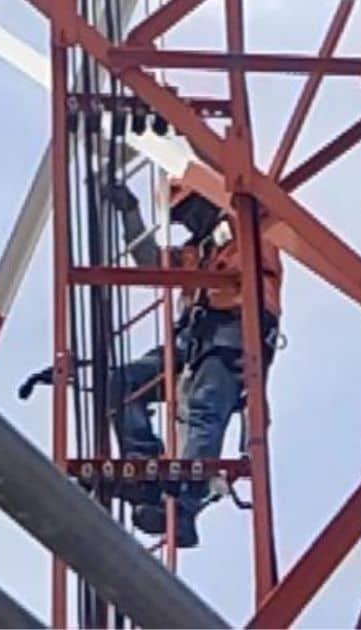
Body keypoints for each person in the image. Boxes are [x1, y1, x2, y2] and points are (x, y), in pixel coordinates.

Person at [104, 181, 282, 547]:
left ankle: (184, 504)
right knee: (122, 383)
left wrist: (204, 156)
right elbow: (152, 262)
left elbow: (245, 189)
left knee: (204, 409)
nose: (188, 220)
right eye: (182, 215)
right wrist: (130, 212)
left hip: (233, 336)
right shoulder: (196, 252)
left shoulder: (248, 230)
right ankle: (146, 469)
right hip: (192, 342)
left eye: (191, 209)